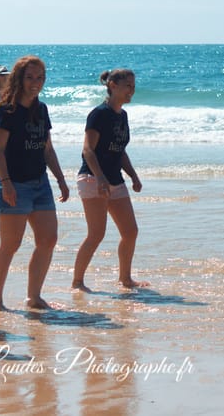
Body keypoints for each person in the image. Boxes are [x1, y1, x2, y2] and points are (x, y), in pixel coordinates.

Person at [0, 55, 70, 310]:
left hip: (39, 184)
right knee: (10, 245)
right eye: (30, 77)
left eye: (40, 78)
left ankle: (33, 297)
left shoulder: (41, 109)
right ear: (19, 79)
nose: (36, 82)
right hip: (14, 185)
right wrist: (7, 182)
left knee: (48, 240)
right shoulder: (6, 110)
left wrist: (60, 178)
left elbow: (47, 148)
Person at [72, 69, 147, 291]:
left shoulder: (122, 116)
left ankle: (125, 279)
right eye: (127, 86)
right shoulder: (99, 114)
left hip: (115, 179)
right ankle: (77, 282)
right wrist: (101, 179)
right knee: (96, 234)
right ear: (112, 85)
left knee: (130, 231)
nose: (131, 91)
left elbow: (119, 151)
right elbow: (88, 150)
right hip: (92, 179)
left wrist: (133, 175)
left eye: (133, 86)